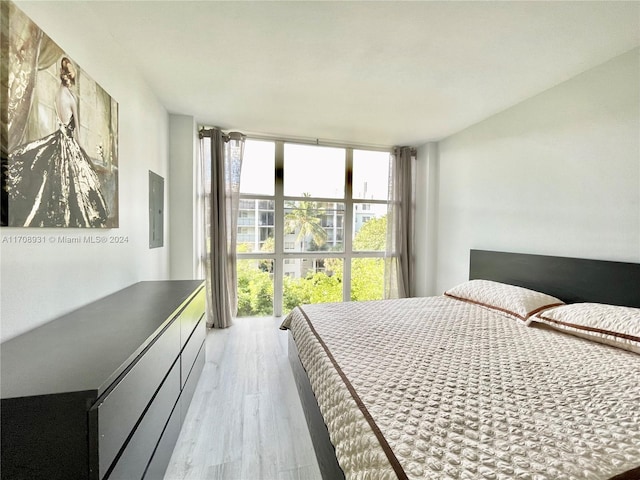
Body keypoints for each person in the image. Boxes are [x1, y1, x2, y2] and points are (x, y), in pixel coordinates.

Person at [6, 57, 109, 227]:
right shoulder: (70, 98)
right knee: (75, 182)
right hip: (68, 140)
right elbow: (77, 127)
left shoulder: (57, 95)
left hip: (58, 137)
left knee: (54, 178)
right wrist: (80, 146)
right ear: (70, 78)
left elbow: (60, 121)